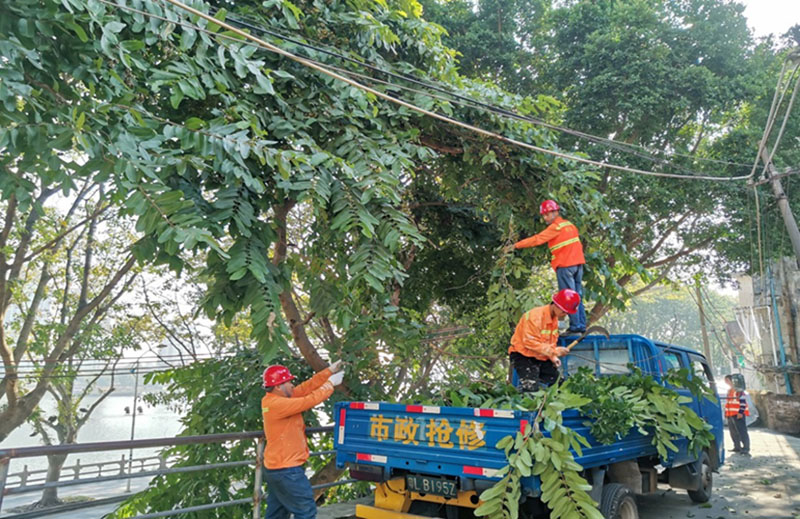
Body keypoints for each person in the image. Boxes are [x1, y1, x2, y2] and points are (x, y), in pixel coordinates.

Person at [261, 361, 345, 519]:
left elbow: (307, 387)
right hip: (287, 470)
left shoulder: (274, 399)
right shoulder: (277, 404)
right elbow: (308, 400)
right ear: (279, 386)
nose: (292, 385)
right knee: (306, 512)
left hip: (277, 469)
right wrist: (330, 384)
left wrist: (329, 371)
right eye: (288, 382)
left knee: (277, 513)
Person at [510, 200, 586, 333]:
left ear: (556, 212)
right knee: (577, 296)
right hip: (578, 265)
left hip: (565, 265)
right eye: (544, 215)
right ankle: (581, 325)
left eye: (547, 214)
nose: (545, 218)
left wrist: (516, 245)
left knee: (568, 298)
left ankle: (574, 327)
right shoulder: (570, 225)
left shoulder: (555, 227)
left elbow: (537, 239)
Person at [508, 289, 581, 392]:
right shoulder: (535, 317)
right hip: (523, 355)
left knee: (559, 385)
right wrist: (554, 351)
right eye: (563, 311)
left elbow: (549, 343)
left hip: (540, 356)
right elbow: (529, 342)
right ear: (556, 304)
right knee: (531, 388)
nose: (565, 314)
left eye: (567, 312)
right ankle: (529, 405)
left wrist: (553, 357)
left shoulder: (554, 320)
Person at [724, 374, 750, 456]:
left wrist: (741, 412)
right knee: (733, 432)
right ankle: (737, 446)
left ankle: (746, 448)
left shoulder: (739, 391)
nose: (726, 382)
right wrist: (726, 412)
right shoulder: (729, 391)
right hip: (730, 414)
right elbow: (728, 403)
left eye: (727, 380)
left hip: (738, 414)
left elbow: (743, 402)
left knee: (742, 431)